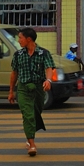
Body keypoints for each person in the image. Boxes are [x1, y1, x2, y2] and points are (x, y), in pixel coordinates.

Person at [8, 26, 55, 156]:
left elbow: (49, 68)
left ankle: (29, 136)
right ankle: (32, 144)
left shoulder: (43, 53)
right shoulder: (18, 55)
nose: (19, 41)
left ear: (28, 39)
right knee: (27, 114)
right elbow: (14, 73)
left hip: (38, 88)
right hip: (23, 88)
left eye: (20, 38)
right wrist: (11, 91)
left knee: (35, 113)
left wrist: (48, 80)